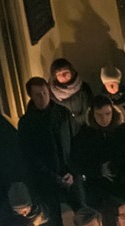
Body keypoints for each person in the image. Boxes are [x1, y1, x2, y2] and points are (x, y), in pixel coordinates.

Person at [17, 77, 79, 211]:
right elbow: (29, 156)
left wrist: (72, 171)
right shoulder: (27, 123)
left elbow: (75, 143)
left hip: (70, 177)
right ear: (31, 96)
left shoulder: (63, 114)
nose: (43, 97)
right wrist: (53, 177)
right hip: (45, 184)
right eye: (38, 95)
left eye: (44, 92)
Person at [72, 96, 125, 205]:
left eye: (107, 114)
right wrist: (98, 170)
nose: (103, 119)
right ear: (92, 114)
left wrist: (114, 166)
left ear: (113, 112)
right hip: (97, 189)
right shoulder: (85, 134)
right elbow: (78, 161)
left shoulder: (124, 130)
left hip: (123, 185)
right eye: (99, 115)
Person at [48, 58, 94, 126]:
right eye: (59, 74)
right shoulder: (50, 93)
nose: (63, 76)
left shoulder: (83, 88)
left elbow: (88, 111)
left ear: (72, 72)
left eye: (65, 72)